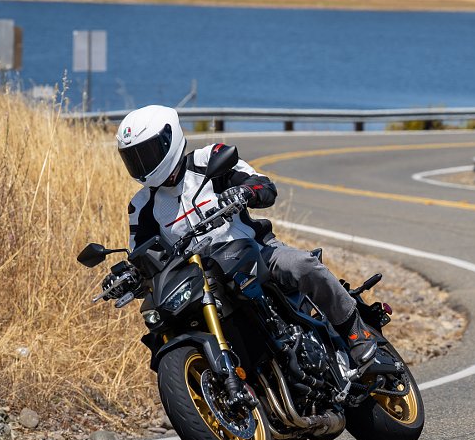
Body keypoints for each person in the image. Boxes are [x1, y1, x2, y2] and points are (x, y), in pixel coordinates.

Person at [107, 104, 377, 366]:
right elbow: (143, 253)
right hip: (201, 280)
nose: (142, 164)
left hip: (256, 251)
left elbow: (263, 185)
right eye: (134, 157)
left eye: (148, 153)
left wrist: (247, 191)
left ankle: (355, 330)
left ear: (170, 138)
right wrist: (130, 275)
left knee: (300, 264)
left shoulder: (208, 160)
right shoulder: (141, 206)